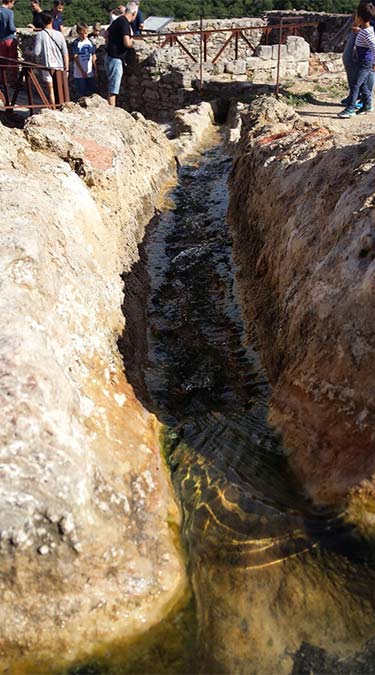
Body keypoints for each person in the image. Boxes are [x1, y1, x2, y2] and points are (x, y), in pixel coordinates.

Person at [339, 2, 375, 117]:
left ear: (359, 18)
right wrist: (359, 31)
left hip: (366, 62)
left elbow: (374, 46)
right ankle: (367, 104)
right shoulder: (365, 31)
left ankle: (351, 108)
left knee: (355, 84)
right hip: (362, 60)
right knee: (362, 83)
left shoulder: (368, 33)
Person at [33, 10, 69, 105]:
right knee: (60, 90)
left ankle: (53, 109)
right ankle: (62, 108)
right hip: (59, 66)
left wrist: (29, 52)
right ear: (52, 20)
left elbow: (36, 52)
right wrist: (67, 68)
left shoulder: (40, 35)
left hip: (47, 65)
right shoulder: (59, 34)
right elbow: (65, 53)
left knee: (51, 90)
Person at [105, 1, 137, 106]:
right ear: (134, 13)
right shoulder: (124, 23)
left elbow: (105, 33)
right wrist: (133, 44)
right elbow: (127, 43)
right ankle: (112, 111)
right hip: (116, 58)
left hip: (109, 56)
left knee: (111, 85)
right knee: (113, 89)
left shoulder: (118, 20)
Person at [72, 22, 96, 97]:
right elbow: (75, 58)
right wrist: (82, 71)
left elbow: (93, 56)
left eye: (85, 33)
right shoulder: (76, 43)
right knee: (81, 93)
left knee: (91, 93)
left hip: (90, 72)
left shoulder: (90, 42)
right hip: (79, 73)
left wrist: (95, 69)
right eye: (81, 34)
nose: (84, 36)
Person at [0, 0, 17, 85]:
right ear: (10, 2)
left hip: (1, 40)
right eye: (13, 3)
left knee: (3, 62)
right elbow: (11, 27)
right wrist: (16, 29)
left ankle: (2, 81)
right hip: (9, 39)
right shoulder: (9, 12)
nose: (13, 5)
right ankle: (13, 82)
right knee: (13, 61)